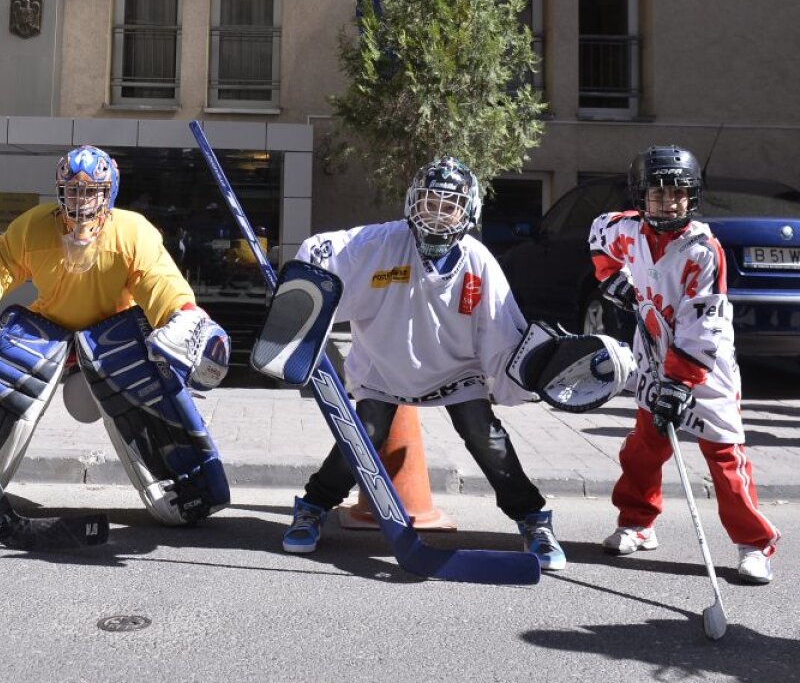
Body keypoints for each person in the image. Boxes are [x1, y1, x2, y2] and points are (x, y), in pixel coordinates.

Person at [0, 145, 232, 526]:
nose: (81, 200)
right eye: (73, 191)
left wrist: (182, 315)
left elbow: (159, 281)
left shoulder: (132, 232)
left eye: (91, 191)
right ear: (59, 191)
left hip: (112, 338)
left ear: (109, 191)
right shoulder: (34, 226)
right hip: (48, 332)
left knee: (151, 387)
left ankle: (191, 487)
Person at [280, 156, 566, 571]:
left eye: (448, 205)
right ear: (414, 200)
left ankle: (533, 521)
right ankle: (312, 507)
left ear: (467, 212)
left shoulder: (478, 261)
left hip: (456, 372)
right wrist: (299, 284)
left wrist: (522, 381)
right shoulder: (378, 244)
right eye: (429, 201)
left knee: (487, 439)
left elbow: (502, 330)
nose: (436, 213)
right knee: (362, 437)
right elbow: (322, 251)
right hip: (383, 368)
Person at [589, 144, 781, 583]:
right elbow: (597, 238)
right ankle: (637, 524)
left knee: (725, 459)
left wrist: (680, 383)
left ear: (691, 196)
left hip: (704, 368)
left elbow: (704, 327)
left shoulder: (702, 250)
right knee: (644, 448)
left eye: (678, 192)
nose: (668, 201)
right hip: (655, 358)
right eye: (658, 193)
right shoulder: (625, 230)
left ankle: (754, 545)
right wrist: (612, 279)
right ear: (640, 197)